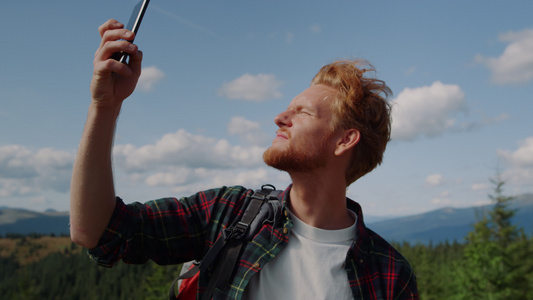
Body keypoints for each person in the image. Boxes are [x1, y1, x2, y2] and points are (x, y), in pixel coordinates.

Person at [70, 19, 419, 300]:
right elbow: (97, 231)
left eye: (303, 113)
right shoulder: (229, 213)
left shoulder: (389, 274)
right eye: (288, 107)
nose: (280, 117)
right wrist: (105, 106)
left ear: (345, 140)